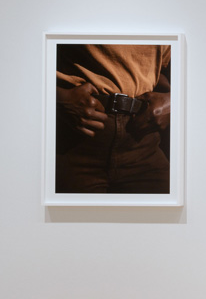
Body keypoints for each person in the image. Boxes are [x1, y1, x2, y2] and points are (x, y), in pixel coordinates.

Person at [54, 43, 172, 194]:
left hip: (143, 139)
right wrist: (58, 98)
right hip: (76, 138)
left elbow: (161, 67)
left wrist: (173, 99)